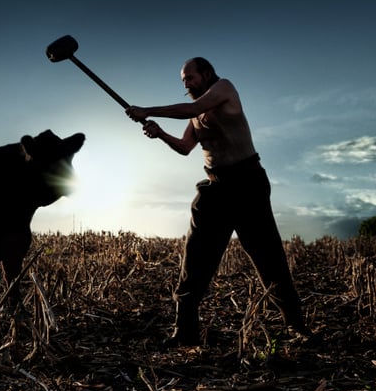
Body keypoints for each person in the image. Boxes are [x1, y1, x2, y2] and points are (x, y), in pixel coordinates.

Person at [126, 57, 309, 347]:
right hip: (215, 187)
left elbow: (194, 106)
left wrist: (147, 110)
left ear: (206, 74)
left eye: (190, 77)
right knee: (195, 257)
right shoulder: (194, 117)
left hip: (248, 183)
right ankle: (185, 331)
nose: (186, 84)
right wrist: (159, 133)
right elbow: (186, 148)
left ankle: (298, 326)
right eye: (183, 80)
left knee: (267, 257)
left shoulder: (224, 88)